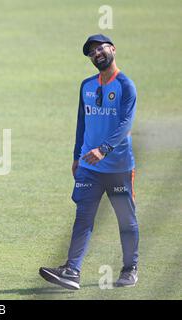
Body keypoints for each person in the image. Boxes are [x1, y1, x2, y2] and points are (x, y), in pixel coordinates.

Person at [39, 34, 139, 290]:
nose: (96, 54)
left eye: (100, 49)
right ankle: (72, 270)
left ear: (113, 49)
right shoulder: (86, 85)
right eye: (91, 52)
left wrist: (104, 149)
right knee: (83, 217)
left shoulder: (126, 86)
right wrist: (76, 156)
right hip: (88, 167)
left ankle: (130, 268)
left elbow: (125, 124)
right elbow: (81, 124)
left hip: (117, 167)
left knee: (125, 219)